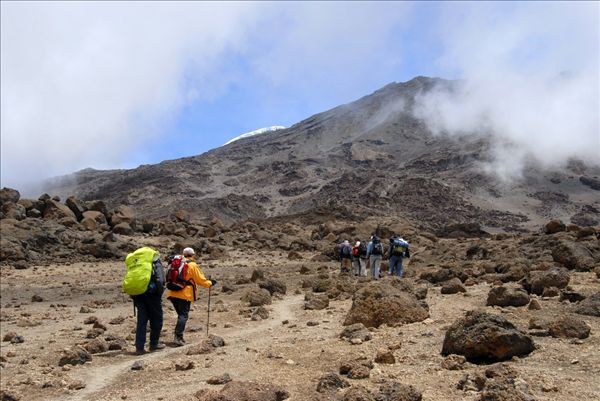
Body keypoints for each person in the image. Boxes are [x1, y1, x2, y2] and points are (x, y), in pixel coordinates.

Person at [167, 247, 215, 346]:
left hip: (173, 293)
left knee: (181, 315)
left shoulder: (176, 263)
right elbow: (200, 280)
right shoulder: (193, 265)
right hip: (185, 294)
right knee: (183, 316)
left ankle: (179, 336)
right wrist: (210, 283)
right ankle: (178, 337)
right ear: (193, 255)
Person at [130, 249, 166, 355]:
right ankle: (154, 344)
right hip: (152, 294)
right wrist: (159, 293)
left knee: (142, 320)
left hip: (138, 294)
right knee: (157, 319)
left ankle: (139, 347)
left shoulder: (136, 262)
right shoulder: (155, 262)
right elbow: (160, 279)